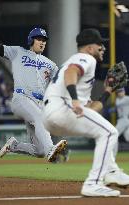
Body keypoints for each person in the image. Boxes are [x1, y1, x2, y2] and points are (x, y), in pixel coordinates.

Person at [42, 28, 129, 197]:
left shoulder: (81, 69)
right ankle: (93, 183)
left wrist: (107, 91)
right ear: (89, 48)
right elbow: (71, 72)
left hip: (52, 114)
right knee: (110, 133)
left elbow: (90, 110)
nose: (102, 48)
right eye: (99, 45)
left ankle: (111, 171)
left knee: (104, 130)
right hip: (62, 107)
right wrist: (74, 99)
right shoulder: (86, 58)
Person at [0, 18, 67, 162]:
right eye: (38, 39)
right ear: (30, 40)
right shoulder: (17, 52)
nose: (42, 42)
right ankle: (50, 150)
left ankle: (14, 146)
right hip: (21, 98)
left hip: (37, 103)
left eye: (44, 40)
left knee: (39, 150)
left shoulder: (50, 64)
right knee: (40, 119)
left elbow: (61, 82)